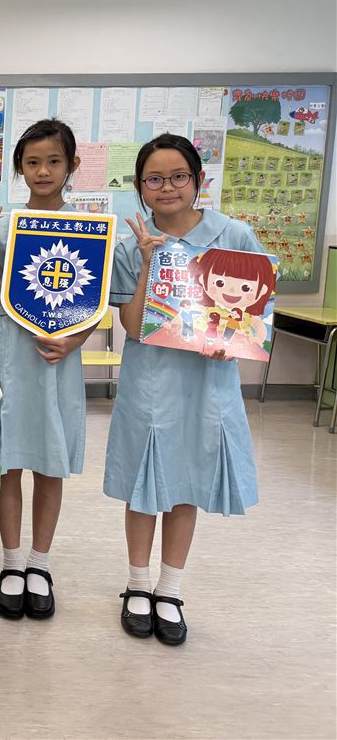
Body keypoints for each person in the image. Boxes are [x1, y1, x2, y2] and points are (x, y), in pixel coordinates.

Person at [107, 133, 265, 646]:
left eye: (178, 176)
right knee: (143, 480)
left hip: (205, 379)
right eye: (154, 179)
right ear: (140, 186)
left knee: (187, 480)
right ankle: (137, 584)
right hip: (149, 378)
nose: (167, 187)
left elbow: (255, 312)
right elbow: (133, 327)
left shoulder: (233, 235)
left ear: (198, 180)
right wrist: (147, 263)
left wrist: (234, 343)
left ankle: (170, 589)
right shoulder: (133, 244)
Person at [0, 118, 93, 621]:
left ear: (71, 165)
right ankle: (12, 562)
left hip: (55, 357)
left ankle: (40, 564)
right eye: (33, 162)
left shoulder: (89, 230)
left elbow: (91, 303)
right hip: (7, 354)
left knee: (50, 458)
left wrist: (75, 340)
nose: (43, 171)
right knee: (8, 458)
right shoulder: (7, 226)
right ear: (19, 168)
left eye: (54, 161)